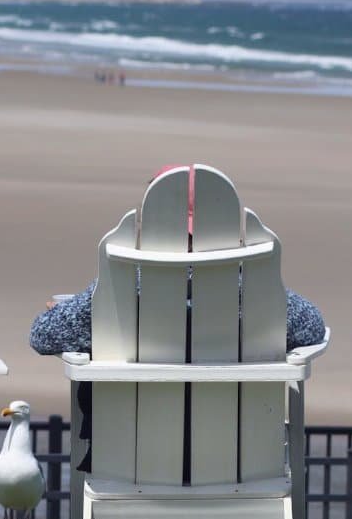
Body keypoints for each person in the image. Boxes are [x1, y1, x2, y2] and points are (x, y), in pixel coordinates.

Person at [29, 165, 326, 472]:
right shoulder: (252, 287)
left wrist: (70, 314)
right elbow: (312, 327)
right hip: (237, 463)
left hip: (128, 463)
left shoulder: (124, 284)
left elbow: (42, 336)